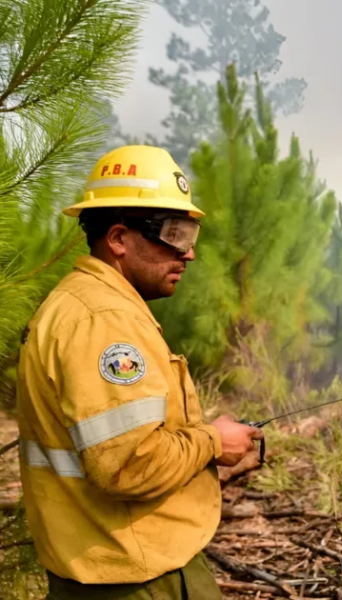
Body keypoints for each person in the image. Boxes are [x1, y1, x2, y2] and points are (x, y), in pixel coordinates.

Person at [16, 145, 263, 599]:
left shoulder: (83, 305)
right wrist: (213, 441)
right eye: (173, 234)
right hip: (138, 579)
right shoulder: (103, 321)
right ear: (117, 239)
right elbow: (129, 466)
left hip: (111, 561)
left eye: (191, 235)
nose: (188, 255)